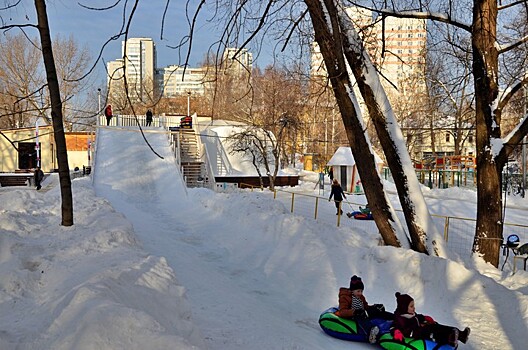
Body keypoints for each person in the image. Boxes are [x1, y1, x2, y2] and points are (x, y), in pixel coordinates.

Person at [391, 292, 470, 347]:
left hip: (420, 328)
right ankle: (449, 339)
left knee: (436, 325)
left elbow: (417, 317)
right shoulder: (399, 317)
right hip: (415, 333)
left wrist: (425, 318)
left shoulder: (411, 313)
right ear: (404, 307)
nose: (414, 308)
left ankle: (461, 334)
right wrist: (396, 331)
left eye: (413, 305)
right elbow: (394, 326)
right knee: (433, 332)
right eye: (411, 306)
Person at [334, 275, 393, 344]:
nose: (360, 293)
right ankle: (371, 332)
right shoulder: (345, 297)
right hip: (353, 315)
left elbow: (366, 307)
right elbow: (342, 312)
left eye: (361, 291)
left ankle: (396, 318)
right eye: (358, 291)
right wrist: (355, 312)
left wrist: (375, 307)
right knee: (360, 316)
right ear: (352, 290)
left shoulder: (361, 297)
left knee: (378, 311)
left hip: (362, 312)